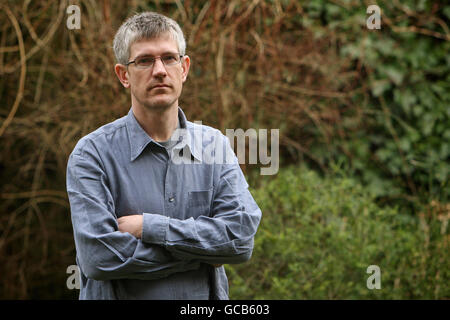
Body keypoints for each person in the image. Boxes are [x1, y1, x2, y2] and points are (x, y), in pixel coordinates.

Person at [66, 11, 262, 300]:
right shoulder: (92, 154)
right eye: (145, 60)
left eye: (169, 58)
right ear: (124, 75)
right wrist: (202, 254)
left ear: (184, 68)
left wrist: (149, 227)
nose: (159, 70)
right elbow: (98, 258)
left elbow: (241, 240)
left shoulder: (214, 147)